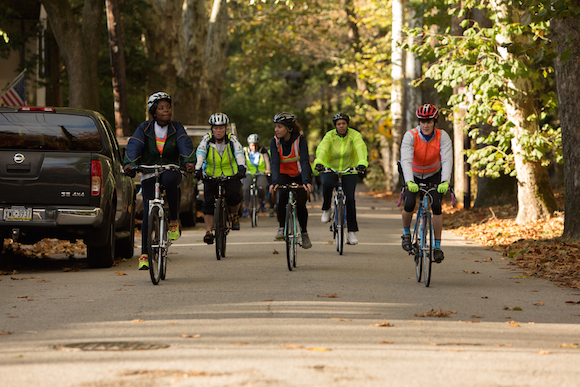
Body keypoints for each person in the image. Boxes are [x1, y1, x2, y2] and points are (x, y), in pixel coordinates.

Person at [123, 91, 195, 270]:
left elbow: (184, 144)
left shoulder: (177, 127)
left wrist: (188, 162)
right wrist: (130, 164)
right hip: (149, 171)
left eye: (168, 107)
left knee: (171, 180)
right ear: (154, 112)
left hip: (170, 168)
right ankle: (145, 256)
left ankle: (173, 221)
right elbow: (134, 145)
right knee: (148, 212)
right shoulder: (145, 128)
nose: (166, 111)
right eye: (161, 108)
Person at [400, 104, 453, 263]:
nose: (426, 125)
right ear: (419, 122)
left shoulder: (442, 136)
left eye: (429, 121)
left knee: (436, 206)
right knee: (409, 204)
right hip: (413, 174)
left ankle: (437, 247)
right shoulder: (411, 136)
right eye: (423, 121)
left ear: (434, 122)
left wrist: (445, 181)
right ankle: (406, 234)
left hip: (433, 174)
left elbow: (447, 159)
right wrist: (409, 180)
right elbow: (406, 160)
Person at [314, 112, 368, 245]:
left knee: (350, 199)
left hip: (349, 170)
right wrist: (319, 161)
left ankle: (351, 232)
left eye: (344, 123)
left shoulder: (354, 135)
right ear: (335, 126)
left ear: (347, 124)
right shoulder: (329, 136)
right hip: (330, 168)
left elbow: (360, 147)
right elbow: (323, 148)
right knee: (326, 185)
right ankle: (327, 208)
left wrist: (362, 162)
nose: (341, 126)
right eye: (339, 124)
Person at [195, 112, 246, 244]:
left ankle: (234, 216)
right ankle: (208, 231)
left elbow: (239, 153)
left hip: (231, 174)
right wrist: (198, 168)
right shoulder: (206, 139)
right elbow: (200, 153)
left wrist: (241, 167)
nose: (218, 131)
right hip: (211, 174)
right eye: (216, 128)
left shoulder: (232, 139)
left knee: (234, 196)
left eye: (221, 128)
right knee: (208, 202)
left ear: (226, 128)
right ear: (212, 128)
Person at [269, 112, 312, 249]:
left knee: (300, 203)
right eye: (275, 126)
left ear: (289, 128)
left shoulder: (301, 140)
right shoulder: (274, 142)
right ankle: (282, 227)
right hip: (283, 174)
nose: (276, 129)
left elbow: (305, 162)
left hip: (299, 174)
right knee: (281, 197)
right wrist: (274, 182)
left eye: (280, 127)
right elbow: (275, 163)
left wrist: (306, 181)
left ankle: (304, 233)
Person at [242, 134, 271, 216]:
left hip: (261, 172)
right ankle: (246, 208)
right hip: (249, 173)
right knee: (246, 188)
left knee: (261, 187)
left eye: (256, 145)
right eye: (252, 145)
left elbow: (267, 161)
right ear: (249, 145)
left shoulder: (262, 150)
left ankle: (262, 201)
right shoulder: (245, 151)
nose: (254, 147)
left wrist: (268, 169)